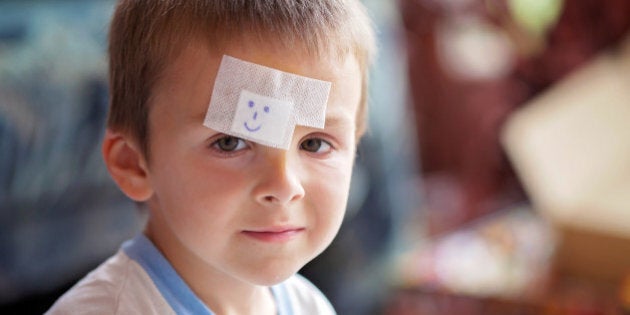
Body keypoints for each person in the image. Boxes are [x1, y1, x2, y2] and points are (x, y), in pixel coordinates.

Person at [46, 0, 376, 314]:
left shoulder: (310, 307)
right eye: (230, 143)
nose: (284, 185)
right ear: (134, 164)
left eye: (315, 144)